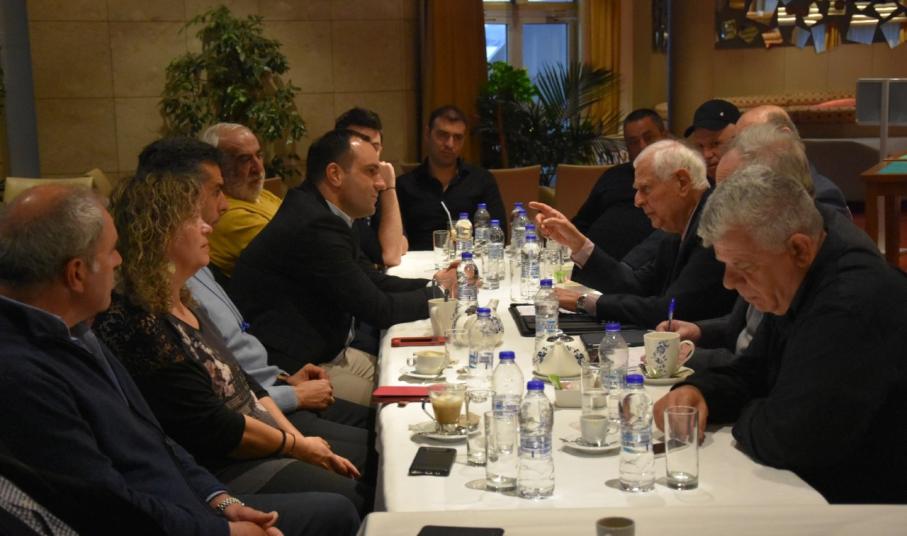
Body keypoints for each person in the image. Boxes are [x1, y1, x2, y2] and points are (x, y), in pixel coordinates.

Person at [0, 185, 359, 535]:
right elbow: (109, 505)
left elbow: (156, 439)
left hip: (194, 501)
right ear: (77, 273)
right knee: (343, 505)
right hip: (178, 516)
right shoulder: (23, 371)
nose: (119, 261)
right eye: (111, 251)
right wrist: (223, 530)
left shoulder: (77, 328)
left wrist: (221, 501)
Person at [93, 171, 374, 518]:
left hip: (261, 434)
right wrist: (295, 445)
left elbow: (247, 383)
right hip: (225, 466)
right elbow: (215, 428)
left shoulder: (184, 299)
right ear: (159, 232)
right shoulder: (141, 322)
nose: (207, 227)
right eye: (193, 219)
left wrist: (297, 442)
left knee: (379, 449)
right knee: (352, 495)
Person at [653, 166, 907, 504]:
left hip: (871, 507)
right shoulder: (802, 267)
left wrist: (753, 410)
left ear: (799, 249)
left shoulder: (849, 301)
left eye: (743, 267)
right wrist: (700, 392)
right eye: (724, 265)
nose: (728, 283)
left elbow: (792, 439)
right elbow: (755, 371)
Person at [231, 129, 458, 405]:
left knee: (442, 377)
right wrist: (440, 294)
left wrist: (435, 284)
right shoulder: (315, 224)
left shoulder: (326, 212)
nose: (380, 183)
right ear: (335, 174)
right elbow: (379, 309)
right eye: (371, 172)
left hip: (332, 352)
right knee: (414, 402)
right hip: (300, 370)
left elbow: (373, 279)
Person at [658, 124, 869, 371]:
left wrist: (687, 356)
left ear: (777, 190)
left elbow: (771, 370)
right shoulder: (767, 241)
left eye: (735, 192)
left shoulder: (828, 266)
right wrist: (700, 331)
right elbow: (750, 329)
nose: (718, 202)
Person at [529, 139, 737, 328]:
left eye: (645, 189)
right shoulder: (677, 227)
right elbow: (635, 287)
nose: (637, 201)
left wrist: (583, 302)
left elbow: (669, 310)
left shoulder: (714, 228)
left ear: (682, 182)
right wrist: (578, 244)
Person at [396, 105, 508, 250]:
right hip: (418, 261)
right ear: (427, 134)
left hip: (468, 259)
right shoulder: (404, 185)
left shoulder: (482, 181)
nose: (450, 144)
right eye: (442, 135)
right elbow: (393, 241)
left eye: (458, 138)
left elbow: (498, 234)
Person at [571, 108, 668, 260]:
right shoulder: (613, 175)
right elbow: (582, 223)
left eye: (649, 138)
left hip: (638, 266)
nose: (642, 146)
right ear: (627, 147)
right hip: (589, 262)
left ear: (664, 136)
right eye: (633, 142)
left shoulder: (674, 181)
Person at [732, 104, 850, 217]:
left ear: (785, 135)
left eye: (750, 139)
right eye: (737, 143)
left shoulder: (822, 194)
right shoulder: (748, 186)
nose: (740, 152)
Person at [201, 123, 282, 280]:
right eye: (245, 159)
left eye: (259, 155)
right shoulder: (224, 213)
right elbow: (301, 250)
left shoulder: (256, 194)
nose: (258, 168)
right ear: (218, 167)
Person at [335, 107, 408, 268]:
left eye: (375, 147)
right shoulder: (342, 188)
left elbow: (401, 243)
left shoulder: (376, 184)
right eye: (361, 145)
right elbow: (390, 255)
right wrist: (389, 187)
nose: (369, 154)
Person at [684, 99, 740, 182]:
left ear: (739, 139)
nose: (706, 155)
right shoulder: (695, 185)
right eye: (700, 146)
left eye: (715, 144)